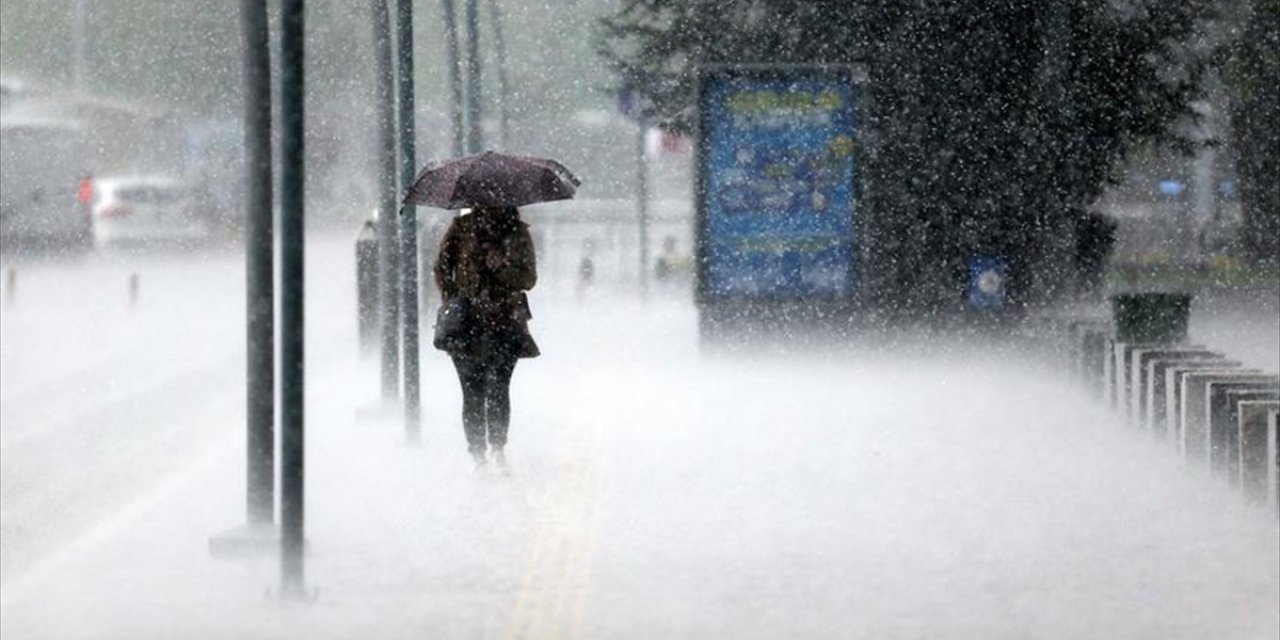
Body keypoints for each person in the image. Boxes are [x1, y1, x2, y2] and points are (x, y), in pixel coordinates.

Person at [434, 205, 539, 471]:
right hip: (466, 323)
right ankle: (478, 453)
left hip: (504, 321)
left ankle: (497, 448)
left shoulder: (517, 232)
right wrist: (454, 298)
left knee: (499, 387)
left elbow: (528, 279)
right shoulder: (461, 229)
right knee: (472, 391)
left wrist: (502, 267)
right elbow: (441, 267)